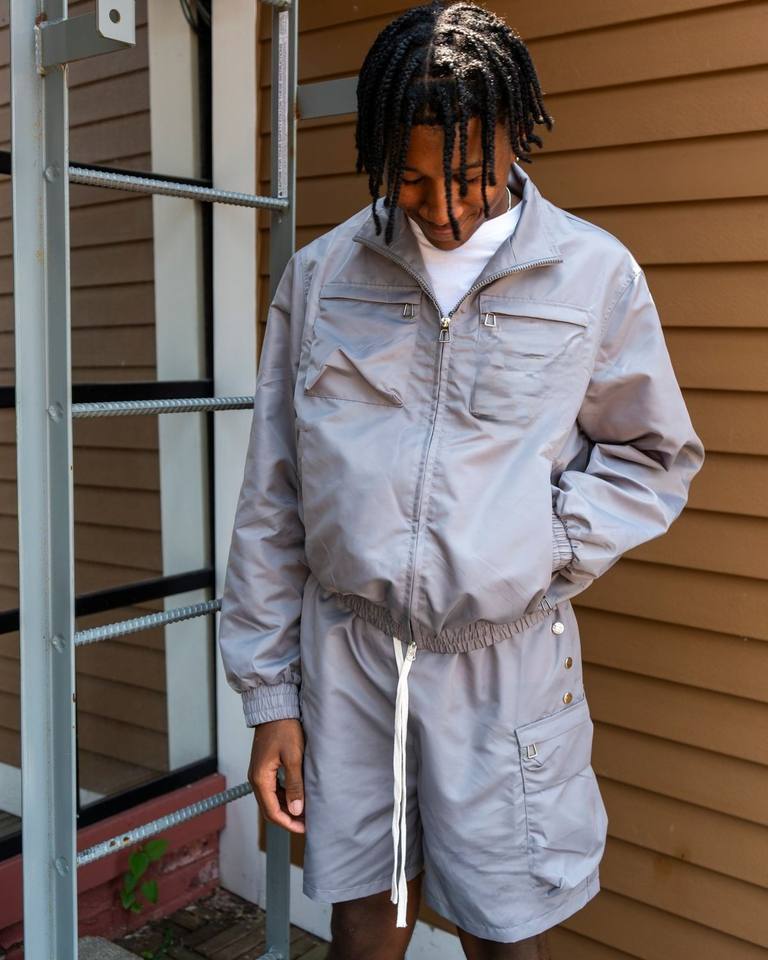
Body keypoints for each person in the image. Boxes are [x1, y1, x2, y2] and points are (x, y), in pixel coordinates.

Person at [217, 2, 706, 958]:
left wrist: (544, 543)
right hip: (349, 662)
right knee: (364, 922)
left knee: (504, 932)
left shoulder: (592, 275)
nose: (443, 209)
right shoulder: (321, 279)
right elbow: (274, 494)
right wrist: (271, 698)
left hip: (503, 670)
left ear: (514, 138)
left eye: (470, 176)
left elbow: (653, 455)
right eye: (410, 180)